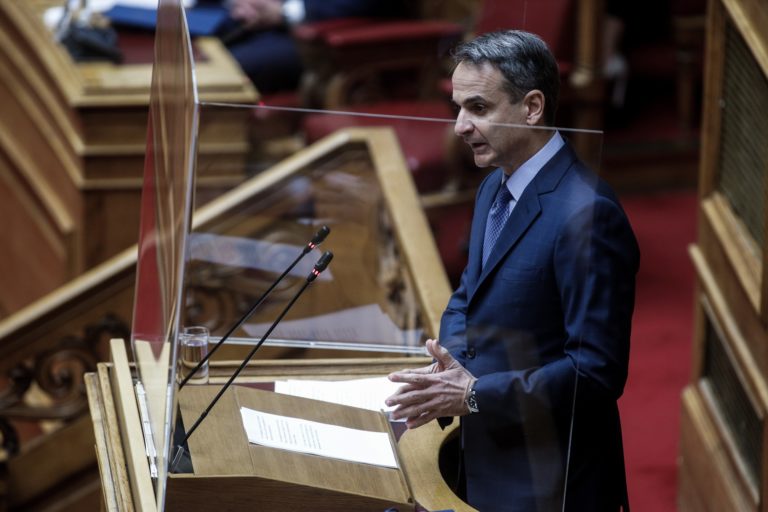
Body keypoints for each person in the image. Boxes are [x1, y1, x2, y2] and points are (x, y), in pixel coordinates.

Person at [386, 30, 639, 511]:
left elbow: (596, 372)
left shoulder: (587, 215)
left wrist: (474, 394)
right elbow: (468, 296)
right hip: (484, 453)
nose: (460, 126)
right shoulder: (493, 188)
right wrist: (450, 368)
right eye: (458, 108)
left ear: (532, 107)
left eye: (478, 108)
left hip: (549, 480)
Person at [209, 0, 405, 94]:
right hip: (274, 22)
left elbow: (360, 5)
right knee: (205, 47)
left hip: (324, 37)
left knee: (227, 69)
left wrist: (285, 11)